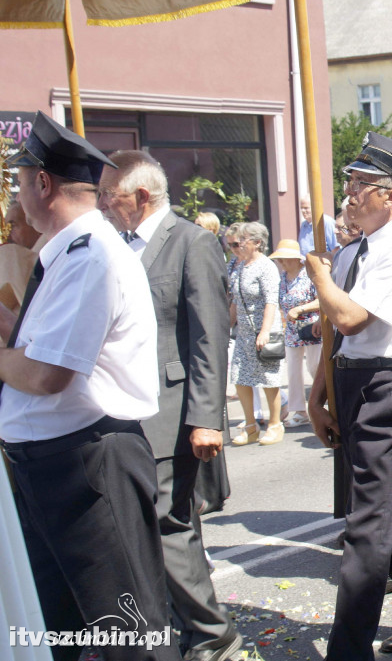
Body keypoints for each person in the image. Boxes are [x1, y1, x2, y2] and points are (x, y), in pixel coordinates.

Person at [0, 111, 175, 661]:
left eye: (18, 182)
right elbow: (31, 349)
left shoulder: (90, 255)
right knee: (64, 628)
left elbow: (48, 376)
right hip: (52, 463)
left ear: (42, 183)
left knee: (128, 630)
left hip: (87, 464)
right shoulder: (69, 254)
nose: (16, 195)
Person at [97, 150, 239, 661]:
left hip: (171, 411)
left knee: (169, 526)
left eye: (107, 196)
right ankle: (180, 630)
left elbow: (209, 334)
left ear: (140, 196)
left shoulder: (191, 242)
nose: (101, 205)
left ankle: (212, 635)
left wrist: (206, 418)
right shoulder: (114, 246)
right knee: (152, 529)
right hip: (121, 409)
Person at [305, 133, 392, 661]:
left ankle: (348, 649)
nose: (349, 195)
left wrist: (317, 274)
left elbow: (353, 318)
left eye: (360, 185)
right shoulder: (354, 251)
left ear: (390, 195)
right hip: (353, 378)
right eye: (349, 183)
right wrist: (319, 395)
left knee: (368, 519)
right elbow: (333, 335)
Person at [228, 221, 284, 446]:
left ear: (257, 243)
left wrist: (265, 331)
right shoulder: (240, 265)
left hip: (264, 330)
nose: (238, 244)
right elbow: (235, 301)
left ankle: (275, 424)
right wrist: (227, 325)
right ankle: (250, 426)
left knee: (269, 378)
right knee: (240, 377)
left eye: (242, 240)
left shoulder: (266, 266)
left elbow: (271, 300)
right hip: (244, 332)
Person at [268, 239, 320, 428]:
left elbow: (321, 300)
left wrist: (301, 309)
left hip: (312, 327)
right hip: (291, 330)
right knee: (293, 372)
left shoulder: (309, 275)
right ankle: (299, 410)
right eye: (280, 259)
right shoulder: (282, 278)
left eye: (285, 259)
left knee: (315, 367)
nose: (282, 262)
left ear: (296, 259)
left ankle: (323, 404)